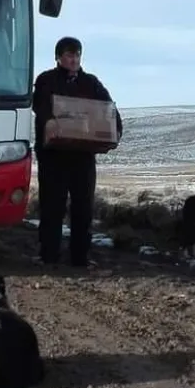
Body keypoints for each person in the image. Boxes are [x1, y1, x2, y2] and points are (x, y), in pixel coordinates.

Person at [32, 36, 123, 268]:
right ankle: (48, 255)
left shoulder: (91, 82)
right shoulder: (46, 80)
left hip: (82, 156)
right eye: (69, 55)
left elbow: (108, 108)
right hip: (53, 157)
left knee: (83, 207)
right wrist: (49, 120)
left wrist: (115, 132)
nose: (74, 59)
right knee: (53, 206)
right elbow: (40, 104)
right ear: (59, 57)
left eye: (77, 55)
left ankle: (80, 257)